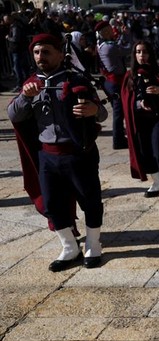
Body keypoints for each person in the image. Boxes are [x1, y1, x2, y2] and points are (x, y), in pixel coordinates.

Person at [8, 33, 108, 271]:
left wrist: (94, 109)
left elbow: (102, 114)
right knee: (52, 204)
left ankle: (93, 244)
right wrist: (25, 96)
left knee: (90, 200)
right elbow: (14, 115)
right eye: (36, 52)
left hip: (77, 153)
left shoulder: (76, 80)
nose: (40, 57)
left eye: (46, 52)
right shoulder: (31, 82)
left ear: (60, 54)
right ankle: (69, 246)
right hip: (47, 155)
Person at [121, 40, 159, 203]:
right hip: (140, 121)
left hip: (158, 118)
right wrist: (139, 103)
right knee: (145, 152)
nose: (141, 55)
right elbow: (126, 100)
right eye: (138, 52)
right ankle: (156, 182)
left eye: (144, 52)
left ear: (150, 54)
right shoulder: (130, 76)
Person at [96, 20, 130, 149]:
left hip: (109, 81)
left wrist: (122, 35)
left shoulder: (102, 44)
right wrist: (128, 35)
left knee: (118, 112)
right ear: (105, 32)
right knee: (118, 112)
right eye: (110, 29)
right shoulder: (109, 46)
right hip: (115, 82)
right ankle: (118, 140)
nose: (113, 30)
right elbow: (127, 50)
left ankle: (120, 137)